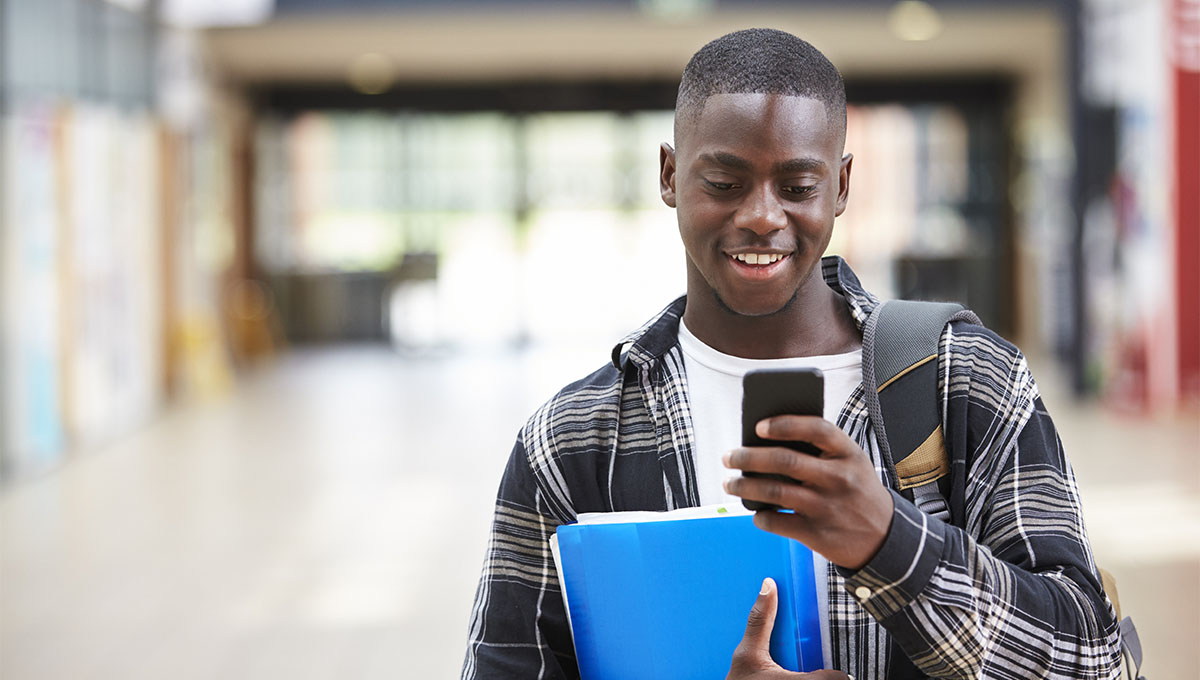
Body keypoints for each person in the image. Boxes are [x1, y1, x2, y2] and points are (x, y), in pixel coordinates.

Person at [462, 28, 1122, 680]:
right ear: (669, 175)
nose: (761, 216)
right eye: (723, 182)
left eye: (798, 187)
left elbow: (1091, 657)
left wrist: (888, 540)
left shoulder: (966, 382)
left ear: (840, 185)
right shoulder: (573, 439)